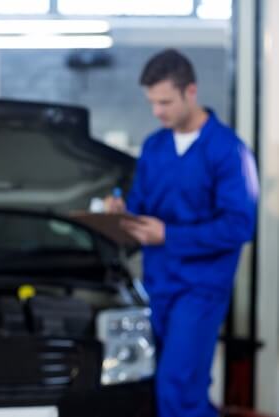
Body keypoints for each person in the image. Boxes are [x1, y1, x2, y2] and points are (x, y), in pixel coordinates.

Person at [106, 49, 258, 417]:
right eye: (152, 103)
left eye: (165, 102)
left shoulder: (228, 151)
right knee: (163, 383)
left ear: (191, 91)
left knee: (177, 386)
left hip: (201, 288)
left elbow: (239, 225)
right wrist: (121, 212)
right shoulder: (155, 146)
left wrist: (169, 236)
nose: (157, 112)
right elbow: (142, 204)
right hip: (158, 283)